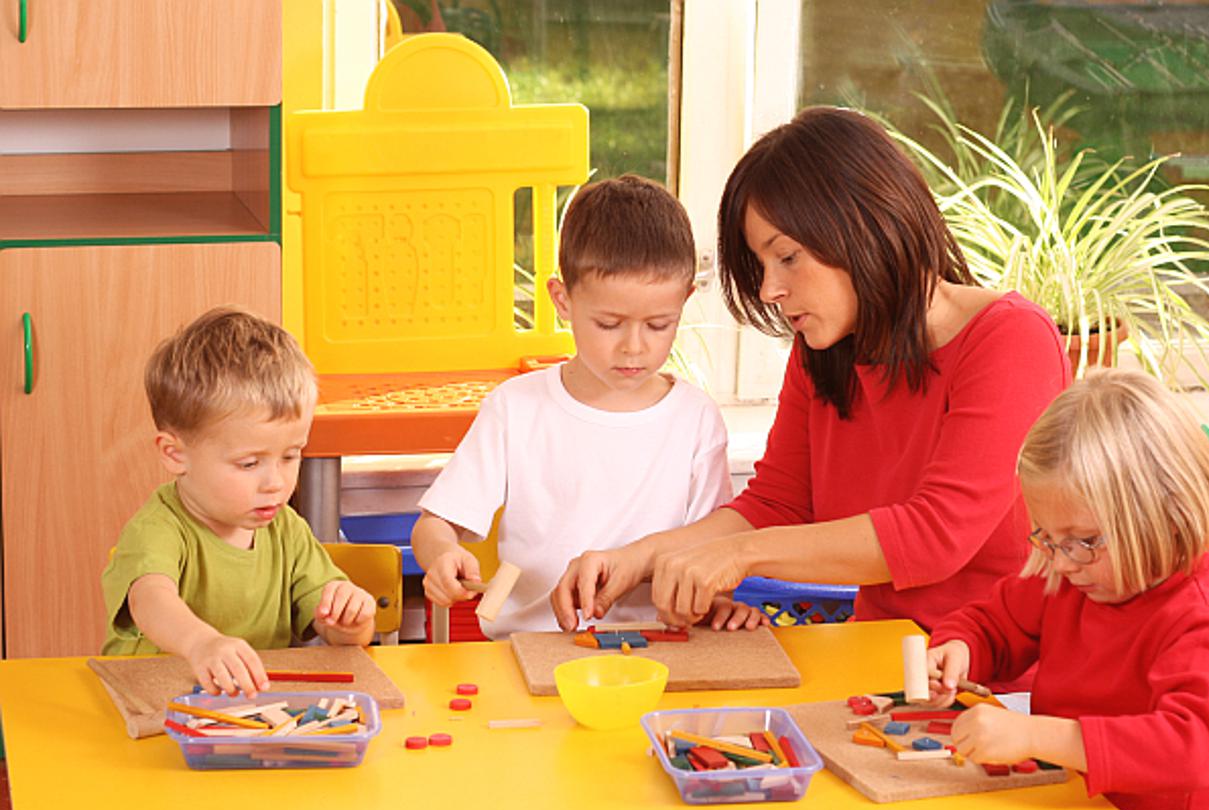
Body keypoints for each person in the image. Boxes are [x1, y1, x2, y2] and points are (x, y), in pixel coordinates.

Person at [551, 106, 1070, 635]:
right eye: (762, 265)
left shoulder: (1012, 340)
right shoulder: (825, 347)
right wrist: (637, 558)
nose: (769, 290)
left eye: (788, 258)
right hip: (879, 661)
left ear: (864, 226)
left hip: (998, 687)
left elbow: (936, 535)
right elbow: (778, 502)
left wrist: (738, 557)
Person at [412, 175, 758, 639]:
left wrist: (718, 606)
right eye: (609, 324)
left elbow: (712, 549)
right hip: (530, 648)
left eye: (659, 324)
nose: (634, 347)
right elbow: (435, 524)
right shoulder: (516, 408)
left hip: (659, 651)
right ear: (563, 301)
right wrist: (441, 557)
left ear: (684, 301)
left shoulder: (695, 419)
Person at [927, 369, 1209, 810]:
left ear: (1165, 516)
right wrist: (959, 650)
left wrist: (1036, 736)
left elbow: (1189, 749)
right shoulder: (1071, 576)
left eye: (1083, 541)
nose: (1061, 560)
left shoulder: (1204, 620)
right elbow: (994, 624)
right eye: (1048, 537)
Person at [101, 307, 375, 697]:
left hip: (246, 713)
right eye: (249, 463)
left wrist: (351, 622)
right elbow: (150, 600)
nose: (276, 483)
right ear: (175, 454)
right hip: (151, 707)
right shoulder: (158, 529)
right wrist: (202, 643)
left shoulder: (288, 530)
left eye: (291, 456)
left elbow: (339, 634)